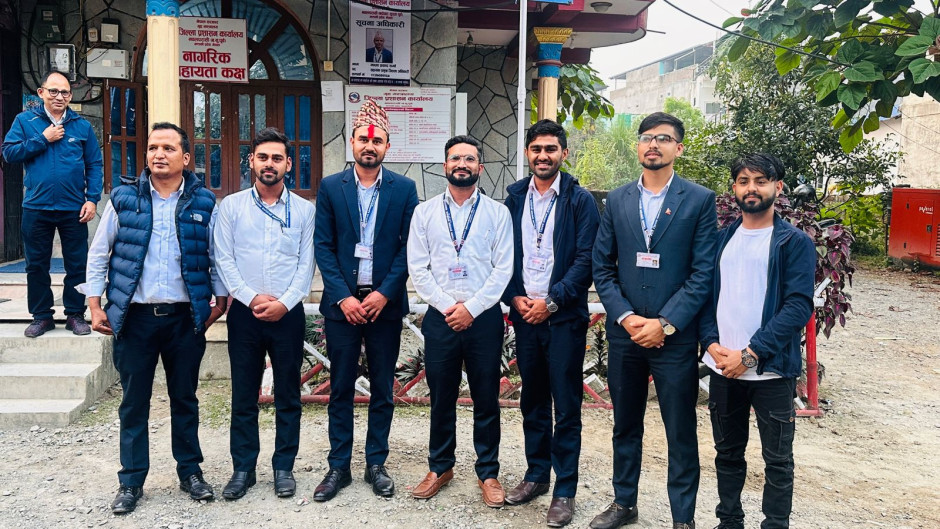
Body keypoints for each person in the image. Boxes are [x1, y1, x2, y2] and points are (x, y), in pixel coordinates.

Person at [79, 122, 228, 514]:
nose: (159, 154)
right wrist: (95, 305)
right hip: (136, 319)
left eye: (168, 148)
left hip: (184, 319)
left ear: (186, 157)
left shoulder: (203, 202)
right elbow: (99, 254)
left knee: (185, 399)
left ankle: (191, 473)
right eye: (152, 148)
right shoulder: (124, 199)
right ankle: (131, 481)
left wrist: (219, 302)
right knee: (134, 402)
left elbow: (214, 257)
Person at [591, 112, 718, 529]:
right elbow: (602, 266)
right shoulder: (618, 200)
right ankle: (623, 503)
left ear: (678, 148)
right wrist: (627, 317)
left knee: (680, 429)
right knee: (625, 424)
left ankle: (683, 518)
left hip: (674, 338)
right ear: (637, 146)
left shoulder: (698, 200)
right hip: (626, 335)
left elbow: (703, 273)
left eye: (663, 138)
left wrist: (663, 323)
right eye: (646, 137)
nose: (653, 145)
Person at [698, 153, 815, 529]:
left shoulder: (793, 242)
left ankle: (775, 525)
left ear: (777, 187)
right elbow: (705, 298)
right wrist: (710, 343)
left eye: (761, 180)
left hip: (772, 372)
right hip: (723, 369)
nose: (752, 188)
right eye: (744, 181)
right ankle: (729, 521)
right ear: (734, 188)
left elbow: (798, 307)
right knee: (727, 455)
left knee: (778, 461)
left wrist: (749, 355)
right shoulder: (721, 240)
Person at [313, 100, 418, 501]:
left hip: (383, 306)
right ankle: (338, 467)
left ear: (387, 146)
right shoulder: (330, 187)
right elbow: (323, 247)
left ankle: (376, 463)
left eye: (377, 140)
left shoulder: (404, 189)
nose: (369, 146)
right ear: (352, 143)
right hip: (342, 307)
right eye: (363, 139)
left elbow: (409, 248)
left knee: (382, 389)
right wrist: (342, 297)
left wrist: (384, 293)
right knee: (340, 387)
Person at [500, 119, 599, 527]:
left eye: (551, 149)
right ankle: (537, 475)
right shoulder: (513, 199)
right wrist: (514, 297)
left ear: (564, 153)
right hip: (525, 316)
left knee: (567, 405)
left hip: (564, 319)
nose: (543, 156)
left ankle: (565, 490)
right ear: (527, 153)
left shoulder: (580, 200)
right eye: (537, 149)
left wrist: (553, 301)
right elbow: (502, 255)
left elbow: (586, 259)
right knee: (533, 400)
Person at [406, 135, 513, 507]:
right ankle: (440, 467)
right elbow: (418, 268)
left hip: (484, 318)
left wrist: (473, 308)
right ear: (445, 166)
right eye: (455, 159)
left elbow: (503, 269)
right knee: (441, 397)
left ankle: (488, 472)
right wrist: (448, 305)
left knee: (486, 398)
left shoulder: (498, 213)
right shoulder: (425, 213)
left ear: (479, 167)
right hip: (441, 318)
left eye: (469, 159)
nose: (462, 164)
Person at [213, 127, 316, 501]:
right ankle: (243, 469)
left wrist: (284, 303)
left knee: (288, 394)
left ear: (288, 164)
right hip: (244, 314)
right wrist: (251, 297)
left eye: (276, 158)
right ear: (251, 161)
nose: (269, 164)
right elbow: (224, 259)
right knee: (244, 394)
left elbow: (306, 265)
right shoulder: (231, 206)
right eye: (262, 157)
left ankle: (283, 468)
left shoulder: (304, 210)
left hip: (288, 315)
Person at [1, 70, 102, 337]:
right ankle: (42, 316)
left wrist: (92, 199)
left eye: (65, 92)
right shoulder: (25, 121)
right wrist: (43, 139)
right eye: (53, 91)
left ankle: (75, 314)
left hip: (73, 208)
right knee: (36, 264)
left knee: (77, 264)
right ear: (41, 93)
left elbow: (94, 164)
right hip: (36, 206)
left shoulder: (81, 126)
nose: (59, 96)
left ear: (70, 95)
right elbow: (9, 153)